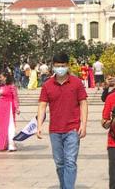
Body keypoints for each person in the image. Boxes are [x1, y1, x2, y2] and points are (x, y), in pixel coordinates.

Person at [37, 53, 88, 189]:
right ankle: (64, 185)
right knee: (59, 163)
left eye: (63, 66)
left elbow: (83, 103)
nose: (60, 68)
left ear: (68, 66)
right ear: (53, 66)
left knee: (70, 161)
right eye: (58, 66)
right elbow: (42, 105)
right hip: (55, 130)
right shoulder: (47, 85)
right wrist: (39, 126)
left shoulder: (76, 82)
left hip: (72, 128)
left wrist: (83, 124)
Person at [0, 71, 20, 151]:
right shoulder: (0, 86)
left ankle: (11, 144)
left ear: (6, 77)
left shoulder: (12, 86)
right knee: (0, 126)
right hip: (1, 108)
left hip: (8, 107)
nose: (0, 78)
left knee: (10, 126)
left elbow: (15, 98)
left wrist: (17, 108)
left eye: (1, 77)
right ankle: (0, 144)